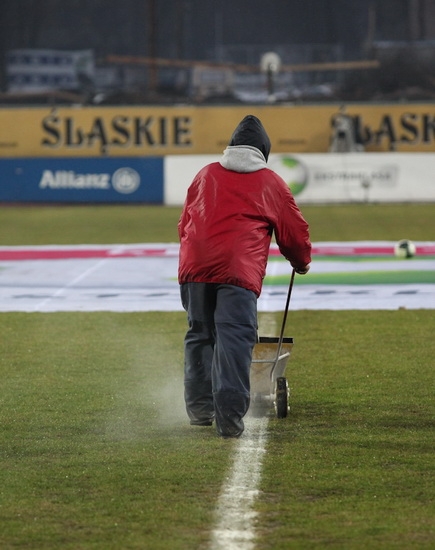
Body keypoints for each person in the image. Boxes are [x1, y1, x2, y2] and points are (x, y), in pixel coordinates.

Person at [178, 115, 311, 438]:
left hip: (195, 267)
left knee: (200, 334)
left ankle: (200, 410)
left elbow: (185, 223)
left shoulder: (206, 174)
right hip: (237, 272)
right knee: (235, 340)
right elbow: (293, 234)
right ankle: (230, 419)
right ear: (263, 151)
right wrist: (301, 261)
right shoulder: (272, 183)